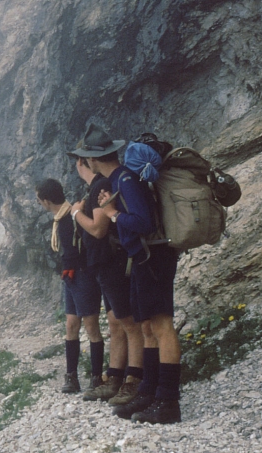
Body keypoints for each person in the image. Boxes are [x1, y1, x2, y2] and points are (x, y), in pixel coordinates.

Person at [73, 123, 183, 424]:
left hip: (153, 257)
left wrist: (113, 214)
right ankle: (148, 391)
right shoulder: (120, 179)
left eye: (86, 158)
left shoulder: (126, 179)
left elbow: (144, 222)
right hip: (142, 259)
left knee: (162, 327)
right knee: (147, 328)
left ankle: (169, 401)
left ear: (93, 159)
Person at [67, 154, 149, 406]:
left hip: (112, 262)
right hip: (104, 264)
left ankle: (133, 380)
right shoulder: (96, 186)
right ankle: (115, 377)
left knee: (129, 322)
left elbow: (97, 228)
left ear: (84, 161)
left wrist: (76, 213)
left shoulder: (101, 185)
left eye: (77, 161)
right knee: (116, 322)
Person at [36, 179, 104, 394]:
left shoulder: (71, 217)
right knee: (71, 324)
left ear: (46, 201)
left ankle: (96, 379)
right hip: (71, 277)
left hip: (81, 275)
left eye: (39, 200)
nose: (40, 203)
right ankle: (72, 377)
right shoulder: (64, 216)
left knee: (92, 326)